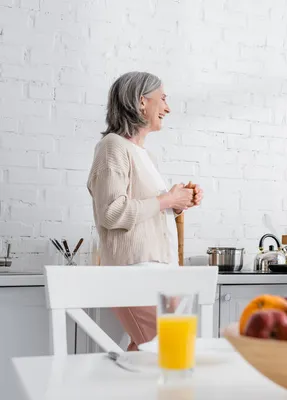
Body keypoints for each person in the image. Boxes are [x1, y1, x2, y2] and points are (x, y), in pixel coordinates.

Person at [87, 71, 203, 350]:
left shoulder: (143, 154)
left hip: (157, 272)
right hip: (134, 272)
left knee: (145, 355)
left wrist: (177, 204)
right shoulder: (112, 147)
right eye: (162, 98)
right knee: (166, 351)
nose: (167, 107)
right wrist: (166, 200)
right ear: (141, 102)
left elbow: (144, 214)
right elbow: (112, 213)